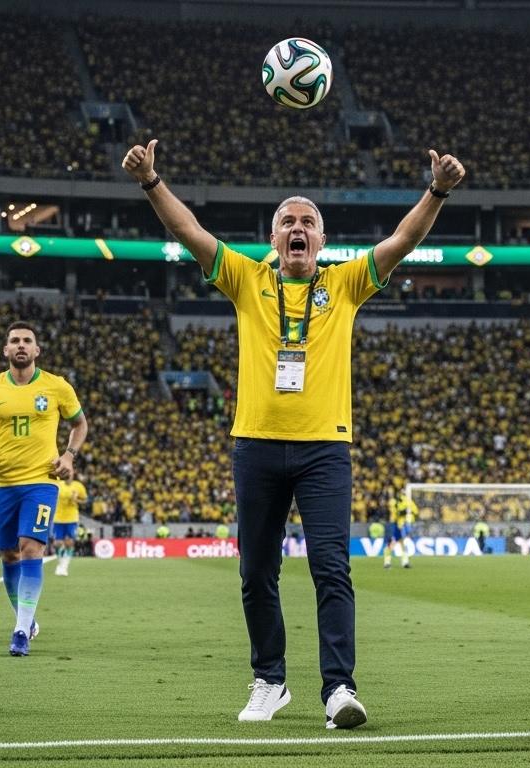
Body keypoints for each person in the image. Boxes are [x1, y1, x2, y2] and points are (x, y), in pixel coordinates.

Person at [122, 136, 465, 729]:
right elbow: (189, 232)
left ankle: (339, 690)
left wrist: (436, 191)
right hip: (254, 444)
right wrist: (152, 181)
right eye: (288, 221)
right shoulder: (246, 279)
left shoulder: (348, 283)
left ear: (323, 241)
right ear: (274, 239)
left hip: (325, 448)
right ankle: (270, 681)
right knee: (256, 571)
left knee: (331, 566)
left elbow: (403, 240)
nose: (298, 227)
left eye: (308, 221)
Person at [0, 322, 88, 657]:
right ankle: (25, 618)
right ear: (5, 350)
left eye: (27, 341)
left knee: (31, 548)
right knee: (8, 553)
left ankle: (20, 632)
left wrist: (69, 455)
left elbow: (79, 424)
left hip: (42, 481)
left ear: (36, 350)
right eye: (14, 340)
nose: (20, 345)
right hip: (2, 481)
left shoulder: (57, 386)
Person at [52, 475, 86, 576]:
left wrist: (76, 500)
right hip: (58, 518)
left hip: (71, 518)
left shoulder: (78, 486)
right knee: (58, 543)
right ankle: (60, 563)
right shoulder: (58, 485)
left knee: (69, 542)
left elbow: (85, 500)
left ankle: (65, 566)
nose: (68, 477)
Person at [385, 489, 416, 570]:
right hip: (393, 525)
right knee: (392, 543)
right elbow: (396, 512)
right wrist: (404, 511)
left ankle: (404, 562)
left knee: (401, 543)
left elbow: (412, 511)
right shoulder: (394, 502)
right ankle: (387, 562)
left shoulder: (403, 501)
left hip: (398, 525)